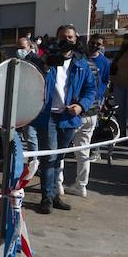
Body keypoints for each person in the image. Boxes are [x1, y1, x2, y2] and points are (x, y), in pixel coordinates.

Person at [32, 24, 97, 214]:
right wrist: (44, 62)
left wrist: (81, 106)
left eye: (70, 37)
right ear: (56, 38)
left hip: (68, 117)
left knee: (58, 157)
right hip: (48, 116)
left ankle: (53, 195)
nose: (67, 40)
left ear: (76, 39)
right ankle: (46, 197)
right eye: (63, 36)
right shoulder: (46, 60)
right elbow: (29, 71)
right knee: (49, 156)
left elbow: (90, 89)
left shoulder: (81, 63)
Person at [64, 34, 110, 198]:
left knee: (61, 149)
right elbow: (98, 88)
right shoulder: (93, 65)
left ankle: (58, 185)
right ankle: (81, 185)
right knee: (83, 151)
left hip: (77, 113)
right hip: (92, 112)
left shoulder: (77, 65)